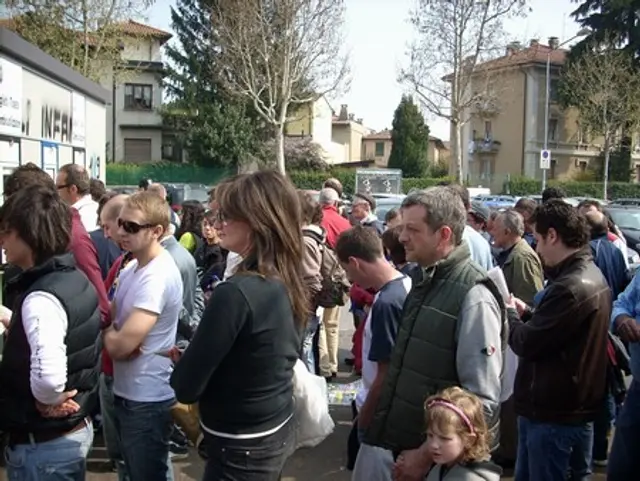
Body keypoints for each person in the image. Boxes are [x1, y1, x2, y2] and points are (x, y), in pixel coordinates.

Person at [171, 170, 307, 480]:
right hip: (272, 427)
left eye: (227, 215)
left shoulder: (235, 293)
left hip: (238, 443)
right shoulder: (287, 277)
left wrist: (191, 363)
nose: (218, 224)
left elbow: (185, 386)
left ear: (258, 222)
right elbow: (265, 353)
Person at [364, 187, 505, 481]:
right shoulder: (422, 278)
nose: (402, 237)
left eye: (412, 229)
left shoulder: (474, 296)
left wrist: (427, 453)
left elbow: (480, 400)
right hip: (406, 450)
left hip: (434, 465)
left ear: (443, 235)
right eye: (402, 228)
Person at [0, 185, 101, 480]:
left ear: (29, 234)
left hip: (43, 447)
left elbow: (48, 379)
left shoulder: (41, 297)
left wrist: (47, 398)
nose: (2, 240)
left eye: (7, 231)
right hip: (66, 436)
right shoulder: (70, 278)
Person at [507, 200, 610, 481]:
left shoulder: (571, 286)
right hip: (562, 409)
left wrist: (509, 315)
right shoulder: (585, 276)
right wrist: (528, 312)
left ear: (553, 235)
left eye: (538, 239)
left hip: (552, 413)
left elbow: (527, 343)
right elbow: (559, 331)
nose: (537, 249)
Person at [104, 191, 183, 481]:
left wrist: (113, 333)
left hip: (147, 398)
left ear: (157, 231)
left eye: (132, 227)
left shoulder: (156, 276)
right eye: (121, 223)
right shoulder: (132, 267)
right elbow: (111, 320)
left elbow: (120, 345)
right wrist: (114, 332)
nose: (121, 232)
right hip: (129, 393)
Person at [424, 387, 502, 481]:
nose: (434, 445)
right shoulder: (440, 468)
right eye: (430, 435)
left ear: (468, 440)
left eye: (444, 438)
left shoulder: (472, 478)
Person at [56, 163, 100, 232]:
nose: (56, 192)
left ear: (73, 189)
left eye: (58, 187)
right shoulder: (98, 209)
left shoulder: (76, 220)